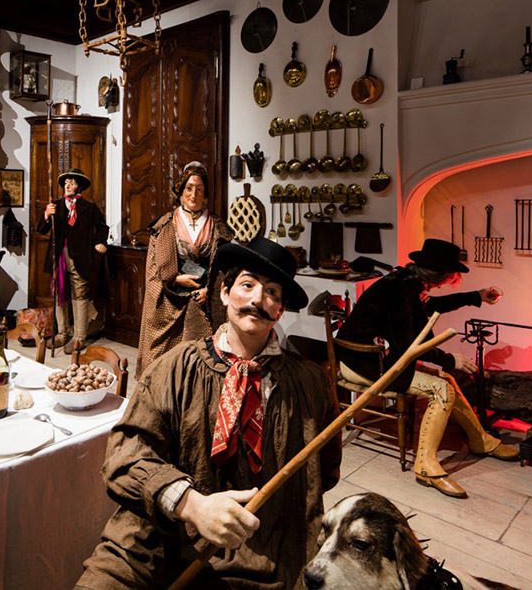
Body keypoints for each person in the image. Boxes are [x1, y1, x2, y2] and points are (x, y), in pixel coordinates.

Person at [77, 237, 341, 590]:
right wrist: (191, 505)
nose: (257, 299)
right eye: (247, 285)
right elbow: (125, 457)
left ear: (280, 309)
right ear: (224, 293)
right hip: (159, 549)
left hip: (268, 558)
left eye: (272, 293)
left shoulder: (311, 383)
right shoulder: (173, 368)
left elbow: (325, 471)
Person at [336, 238, 515, 498]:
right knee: (441, 390)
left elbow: (431, 306)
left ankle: (481, 441)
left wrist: (476, 297)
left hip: (374, 359)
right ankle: (426, 467)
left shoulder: (408, 283)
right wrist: (449, 360)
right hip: (361, 363)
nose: (447, 283)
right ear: (441, 276)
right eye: (449, 277)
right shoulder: (400, 289)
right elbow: (408, 344)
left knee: (447, 382)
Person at [136, 162, 232, 375]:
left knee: (198, 358)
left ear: (205, 193)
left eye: (199, 189)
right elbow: (152, 268)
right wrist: (175, 280)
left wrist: (209, 290)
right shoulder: (165, 225)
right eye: (189, 188)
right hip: (171, 298)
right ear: (180, 191)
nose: (193, 194)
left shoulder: (217, 226)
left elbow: (225, 266)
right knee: (163, 358)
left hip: (203, 298)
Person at [37, 167, 109, 353]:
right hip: (59, 256)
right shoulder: (55, 206)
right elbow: (41, 229)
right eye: (66, 182)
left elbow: (103, 228)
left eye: (72, 182)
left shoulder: (90, 208)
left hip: (81, 257)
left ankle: (79, 337)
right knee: (60, 294)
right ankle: (62, 334)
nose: (68, 185)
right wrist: (46, 215)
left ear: (80, 186)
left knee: (80, 294)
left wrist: (100, 242)